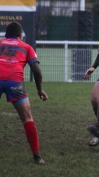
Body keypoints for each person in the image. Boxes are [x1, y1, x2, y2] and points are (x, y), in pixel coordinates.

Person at [0, 22, 48, 164]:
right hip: (15, 82)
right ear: (20, 36)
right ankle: (37, 157)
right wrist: (39, 89)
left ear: (5, 35)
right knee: (27, 118)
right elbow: (36, 69)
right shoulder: (26, 47)